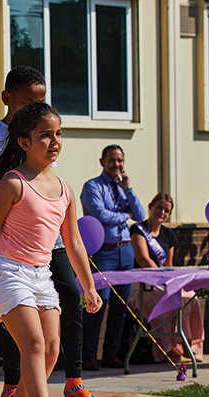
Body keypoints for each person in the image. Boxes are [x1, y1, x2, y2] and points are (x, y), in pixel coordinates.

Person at [0, 65, 103, 397]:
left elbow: (74, 240)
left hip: (46, 247)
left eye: (41, 101)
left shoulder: (62, 184)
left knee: (64, 307)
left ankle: (74, 379)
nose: (35, 107)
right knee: (26, 328)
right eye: (28, 102)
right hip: (10, 250)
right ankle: (20, 391)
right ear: (8, 99)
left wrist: (89, 286)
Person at [80, 145, 147, 369]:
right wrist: (123, 215)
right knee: (98, 303)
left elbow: (140, 216)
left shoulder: (123, 187)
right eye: (112, 160)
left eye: (120, 161)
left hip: (126, 251)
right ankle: (88, 355)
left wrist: (129, 190)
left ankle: (112, 353)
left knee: (120, 307)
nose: (116, 165)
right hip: (104, 252)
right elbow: (101, 215)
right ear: (102, 162)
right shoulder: (92, 186)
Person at [130, 193, 204, 363]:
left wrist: (171, 281)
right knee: (165, 299)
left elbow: (169, 264)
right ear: (150, 207)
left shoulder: (168, 234)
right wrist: (162, 280)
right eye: (159, 208)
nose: (162, 212)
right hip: (142, 282)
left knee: (189, 297)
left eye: (166, 210)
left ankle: (191, 347)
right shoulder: (138, 230)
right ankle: (170, 350)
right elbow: (143, 260)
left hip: (163, 280)